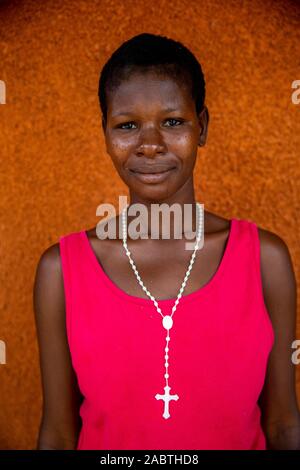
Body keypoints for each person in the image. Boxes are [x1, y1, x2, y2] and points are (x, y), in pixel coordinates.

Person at [33, 33, 300, 450]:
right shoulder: (61, 271)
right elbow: (58, 433)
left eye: (173, 122)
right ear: (105, 134)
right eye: (127, 125)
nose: (151, 145)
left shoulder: (265, 259)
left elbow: (284, 424)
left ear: (203, 126)